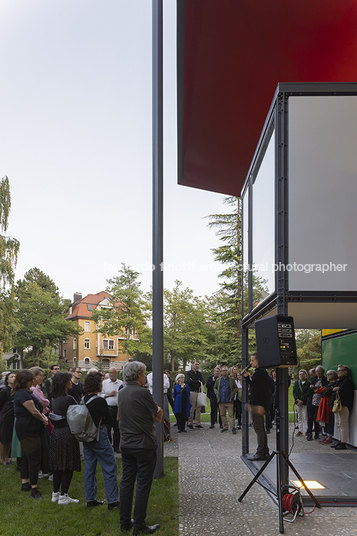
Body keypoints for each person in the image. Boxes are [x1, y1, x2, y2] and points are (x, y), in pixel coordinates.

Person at [118, 361, 162, 535]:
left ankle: (124, 522)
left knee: (127, 482)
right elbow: (157, 417)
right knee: (143, 484)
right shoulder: (143, 393)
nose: (145, 376)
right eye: (143, 373)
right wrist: (158, 409)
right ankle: (139, 524)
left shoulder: (121, 392)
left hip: (126, 444)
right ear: (138, 375)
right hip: (144, 444)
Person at [82, 371, 119, 509]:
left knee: (90, 468)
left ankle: (90, 499)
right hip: (99, 435)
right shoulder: (99, 401)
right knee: (109, 467)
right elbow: (108, 420)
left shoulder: (83, 399)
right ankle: (113, 501)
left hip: (86, 436)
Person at [13, 369, 48, 500]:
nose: (33, 381)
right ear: (25, 381)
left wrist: (42, 416)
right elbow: (33, 411)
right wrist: (43, 419)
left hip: (29, 427)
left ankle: (25, 483)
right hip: (28, 429)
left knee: (27, 456)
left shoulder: (25, 392)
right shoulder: (22, 394)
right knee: (34, 457)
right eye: (31, 379)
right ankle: (34, 488)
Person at [49, 372, 81, 504]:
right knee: (68, 465)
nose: (71, 382)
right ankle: (64, 496)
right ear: (64, 382)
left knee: (57, 465)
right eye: (69, 380)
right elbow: (79, 414)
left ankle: (55, 494)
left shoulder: (54, 397)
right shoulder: (69, 399)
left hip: (56, 433)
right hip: (67, 432)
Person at [243, 353, 270, 461]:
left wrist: (260, 406)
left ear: (258, 361)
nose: (251, 362)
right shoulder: (258, 373)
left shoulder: (261, 373)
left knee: (259, 429)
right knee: (259, 429)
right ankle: (264, 450)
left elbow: (263, 391)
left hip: (258, 405)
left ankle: (261, 452)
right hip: (256, 404)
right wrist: (247, 378)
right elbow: (255, 387)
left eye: (253, 360)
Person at [330, 365, 354, 450]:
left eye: (340, 370)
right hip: (337, 405)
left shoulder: (347, 381)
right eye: (337, 371)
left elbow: (341, 392)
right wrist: (334, 389)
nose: (338, 372)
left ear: (345, 372)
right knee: (338, 423)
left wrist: (335, 390)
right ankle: (340, 441)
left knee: (342, 423)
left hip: (344, 405)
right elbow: (332, 389)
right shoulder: (339, 381)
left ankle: (343, 442)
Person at [100, 367, 123, 453]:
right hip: (108, 409)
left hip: (117, 409)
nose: (110, 375)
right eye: (109, 373)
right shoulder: (104, 383)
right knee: (107, 428)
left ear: (116, 373)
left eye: (112, 373)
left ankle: (116, 446)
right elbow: (99, 395)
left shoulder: (120, 383)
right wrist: (108, 395)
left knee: (117, 429)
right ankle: (109, 445)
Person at [306, 365, 328, 441]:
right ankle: (309, 433)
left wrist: (315, 388)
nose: (318, 373)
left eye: (319, 371)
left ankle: (317, 433)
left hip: (319, 402)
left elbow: (324, 389)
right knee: (309, 417)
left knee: (316, 418)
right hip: (311, 401)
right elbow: (310, 390)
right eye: (316, 371)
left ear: (323, 372)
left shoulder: (325, 380)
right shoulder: (314, 379)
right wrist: (318, 389)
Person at [214, 365, 238, 433]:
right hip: (221, 400)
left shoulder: (231, 380)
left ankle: (232, 427)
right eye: (223, 371)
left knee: (231, 415)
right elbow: (215, 387)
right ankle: (225, 427)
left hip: (229, 400)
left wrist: (232, 393)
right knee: (222, 415)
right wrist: (217, 394)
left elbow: (235, 388)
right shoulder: (218, 380)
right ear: (221, 372)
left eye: (226, 371)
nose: (225, 372)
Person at [318, 369, 337, 444]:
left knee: (329, 419)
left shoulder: (335, 383)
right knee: (324, 419)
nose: (328, 376)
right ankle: (325, 436)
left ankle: (329, 437)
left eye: (330, 374)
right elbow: (322, 391)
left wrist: (328, 390)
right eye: (327, 374)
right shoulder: (327, 383)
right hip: (324, 403)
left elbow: (327, 392)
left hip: (330, 403)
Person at [0, 372, 16, 465]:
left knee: (9, 438)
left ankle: (7, 457)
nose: (14, 378)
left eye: (15, 377)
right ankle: (2, 459)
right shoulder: (4, 390)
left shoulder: (15, 390)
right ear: (7, 379)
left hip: (12, 416)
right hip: (5, 416)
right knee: (3, 439)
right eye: (11, 377)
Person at [186, 360, 204, 429]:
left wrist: (194, 381)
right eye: (196, 364)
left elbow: (202, 382)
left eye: (198, 364)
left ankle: (197, 423)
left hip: (198, 392)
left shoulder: (199, 373)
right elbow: (188, 382)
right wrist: (197, 381)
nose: (197, 365)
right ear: (192, 365)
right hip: (192, 392)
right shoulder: (189, 373)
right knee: (192, 408)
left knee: (198, 408)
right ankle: (190, 422)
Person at [293, 369, 310, 437]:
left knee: (306, 416)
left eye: (302, 374)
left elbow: (308, 393)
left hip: (305, 402)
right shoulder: (297, 383)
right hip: (298, 402)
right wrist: (297, 400)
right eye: (300, 374)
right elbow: (294, 392)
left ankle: (306, 430)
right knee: (299, 416)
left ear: (306, 375)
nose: (301, 376)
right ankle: (300, 430)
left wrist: (302, 400)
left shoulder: (309, 383)